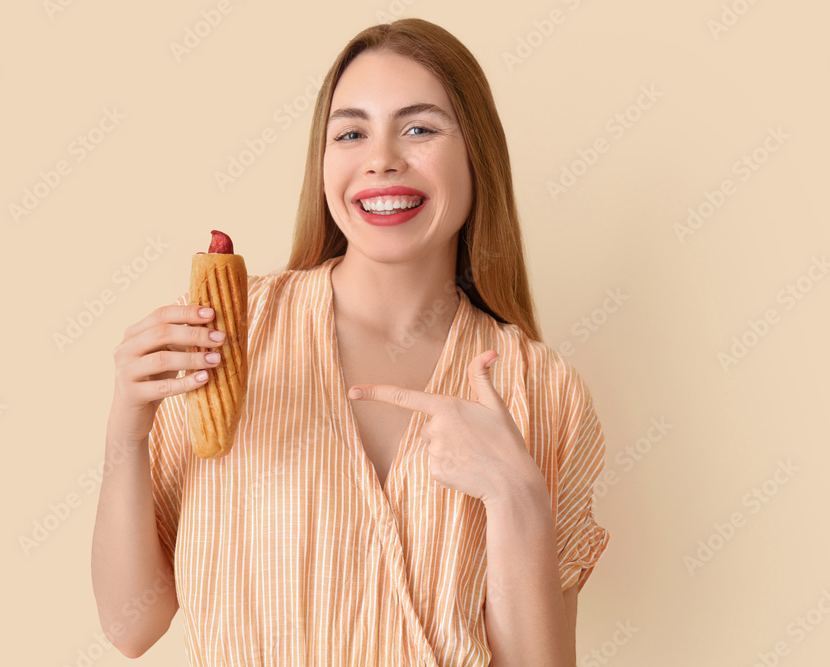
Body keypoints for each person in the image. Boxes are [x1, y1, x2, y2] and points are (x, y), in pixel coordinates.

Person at [91, 17, 609, 667]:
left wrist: (516, 497)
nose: (382, 157)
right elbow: (128, 624)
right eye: (352, 132)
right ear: (325, 161)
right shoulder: (222, 337)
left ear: (476, 153)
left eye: (419, 128)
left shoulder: (542, 390)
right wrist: (126, 430)